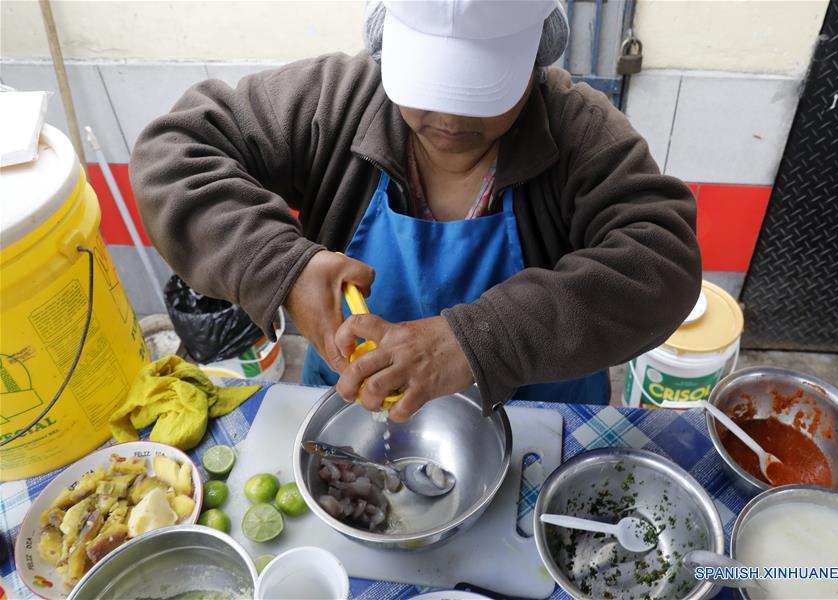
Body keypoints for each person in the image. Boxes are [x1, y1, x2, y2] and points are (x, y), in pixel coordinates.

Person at [130, 0, 701, 422]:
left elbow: (662, 262)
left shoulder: (579, 132)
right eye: (427, 84)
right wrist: (282, 267)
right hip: (360, 406)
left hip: (540, 422)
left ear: (535, 52)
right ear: (385, 40)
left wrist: (477, 340)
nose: (448, 117)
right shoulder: (332, 102)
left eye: (479, 89)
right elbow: (172, 153)